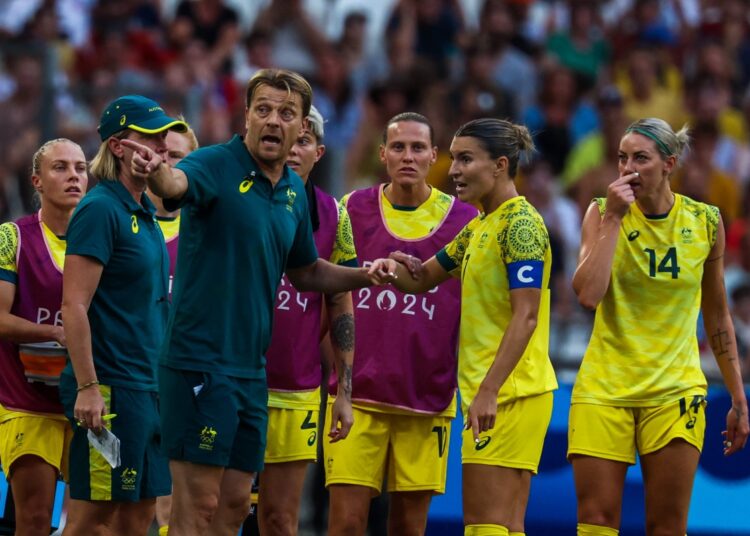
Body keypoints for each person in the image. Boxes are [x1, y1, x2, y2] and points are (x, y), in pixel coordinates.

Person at [121, 68, 386, 536]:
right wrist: (157, 173)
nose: (273, 121)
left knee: (235, 505)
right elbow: (176, 186)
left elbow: (307, 272)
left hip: (251, 371)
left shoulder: (291, 193)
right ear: (246, 116)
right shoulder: (215, 164)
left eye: (286, 113)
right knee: (196, 507)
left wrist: (369, 273)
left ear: (302, 127)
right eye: (262, 109)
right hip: (198, 364)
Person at [369, 117, 558, 536]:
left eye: (465, 159)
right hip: (504, 390)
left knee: (484, 526)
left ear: (500, 165)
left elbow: (526, 316)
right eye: (453, 158)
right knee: (505, 525)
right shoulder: (479, 227)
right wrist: (389, 265)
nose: (452, 170)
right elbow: (422, 279)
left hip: (510, 392)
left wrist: (488, 390)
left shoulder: (521, 226)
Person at [569, 117, 749, 536]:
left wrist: (738, 395)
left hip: (674, 392)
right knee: (595, 522)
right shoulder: (600, 212)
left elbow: (718, 312)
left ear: (669, 163)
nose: (628, 168)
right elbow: (588, 295)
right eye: (621, 158)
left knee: (666, 526)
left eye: (640, 158)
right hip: (603, 388)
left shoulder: (705, 221)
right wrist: (614, 217)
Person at [324, 112, 477, 536]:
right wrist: (338, 376)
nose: (407, 156)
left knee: (410, 528)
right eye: (398, 147)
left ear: (433, 155)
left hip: (426, 397)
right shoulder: (352, 208)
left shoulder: (466, 220)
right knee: (345, 525)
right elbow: (329, 294)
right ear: (382, 155)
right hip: (359, 398)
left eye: (416, 148)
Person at [59, 95, 187, 535]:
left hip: (148, 387)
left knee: (138, 517)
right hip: (111, 390)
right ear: (118, 146)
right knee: (93, 519)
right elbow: (74, 304)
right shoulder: (100, 208)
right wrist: (89, 387)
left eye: (163, 136)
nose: (162, 144)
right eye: (149, 136)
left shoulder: (146, 211)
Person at [258, 105, 357, 535]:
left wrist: (344, 390)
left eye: (304, 140)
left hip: (296, 388)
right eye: (288, 137)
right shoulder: (235, 197)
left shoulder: (335, 214)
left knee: (281, 518)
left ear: (318, 151)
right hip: (232, 378)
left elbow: (340, 303)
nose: (293, 149)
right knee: (219, 508)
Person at [0, 139, 87, 535]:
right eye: (60, 168)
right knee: (34, 521)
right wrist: (56, 331)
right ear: (36, 180)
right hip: (27, 401)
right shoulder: (11, 237)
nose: (73, 175)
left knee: (94, 524)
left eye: (81, 168)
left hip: (89, 400)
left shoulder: (106, 239)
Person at [148, 122, 199, 536]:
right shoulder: (118, 219)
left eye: (177, 155)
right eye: (160, 151)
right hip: (127, 380)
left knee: (173, 511)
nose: (166, 161)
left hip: (184, 385)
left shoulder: (207, 230)